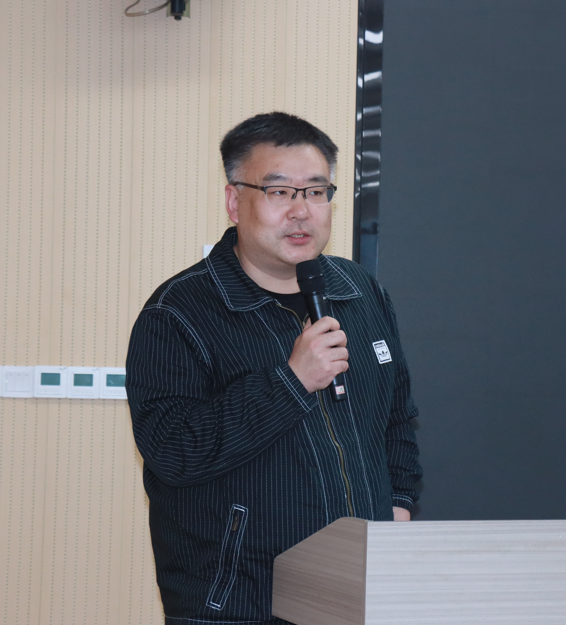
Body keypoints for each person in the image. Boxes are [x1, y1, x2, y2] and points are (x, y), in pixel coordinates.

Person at [126, 112, 422, 624]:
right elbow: (174, 452)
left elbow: (397, 417)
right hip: (238, 603)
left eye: (316, 192)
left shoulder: (361, 293)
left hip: (356, 592)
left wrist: (397, 503)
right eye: (279, 192)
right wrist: (291, 382)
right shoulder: (178, 313)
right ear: (233, 201)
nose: (301, 211)